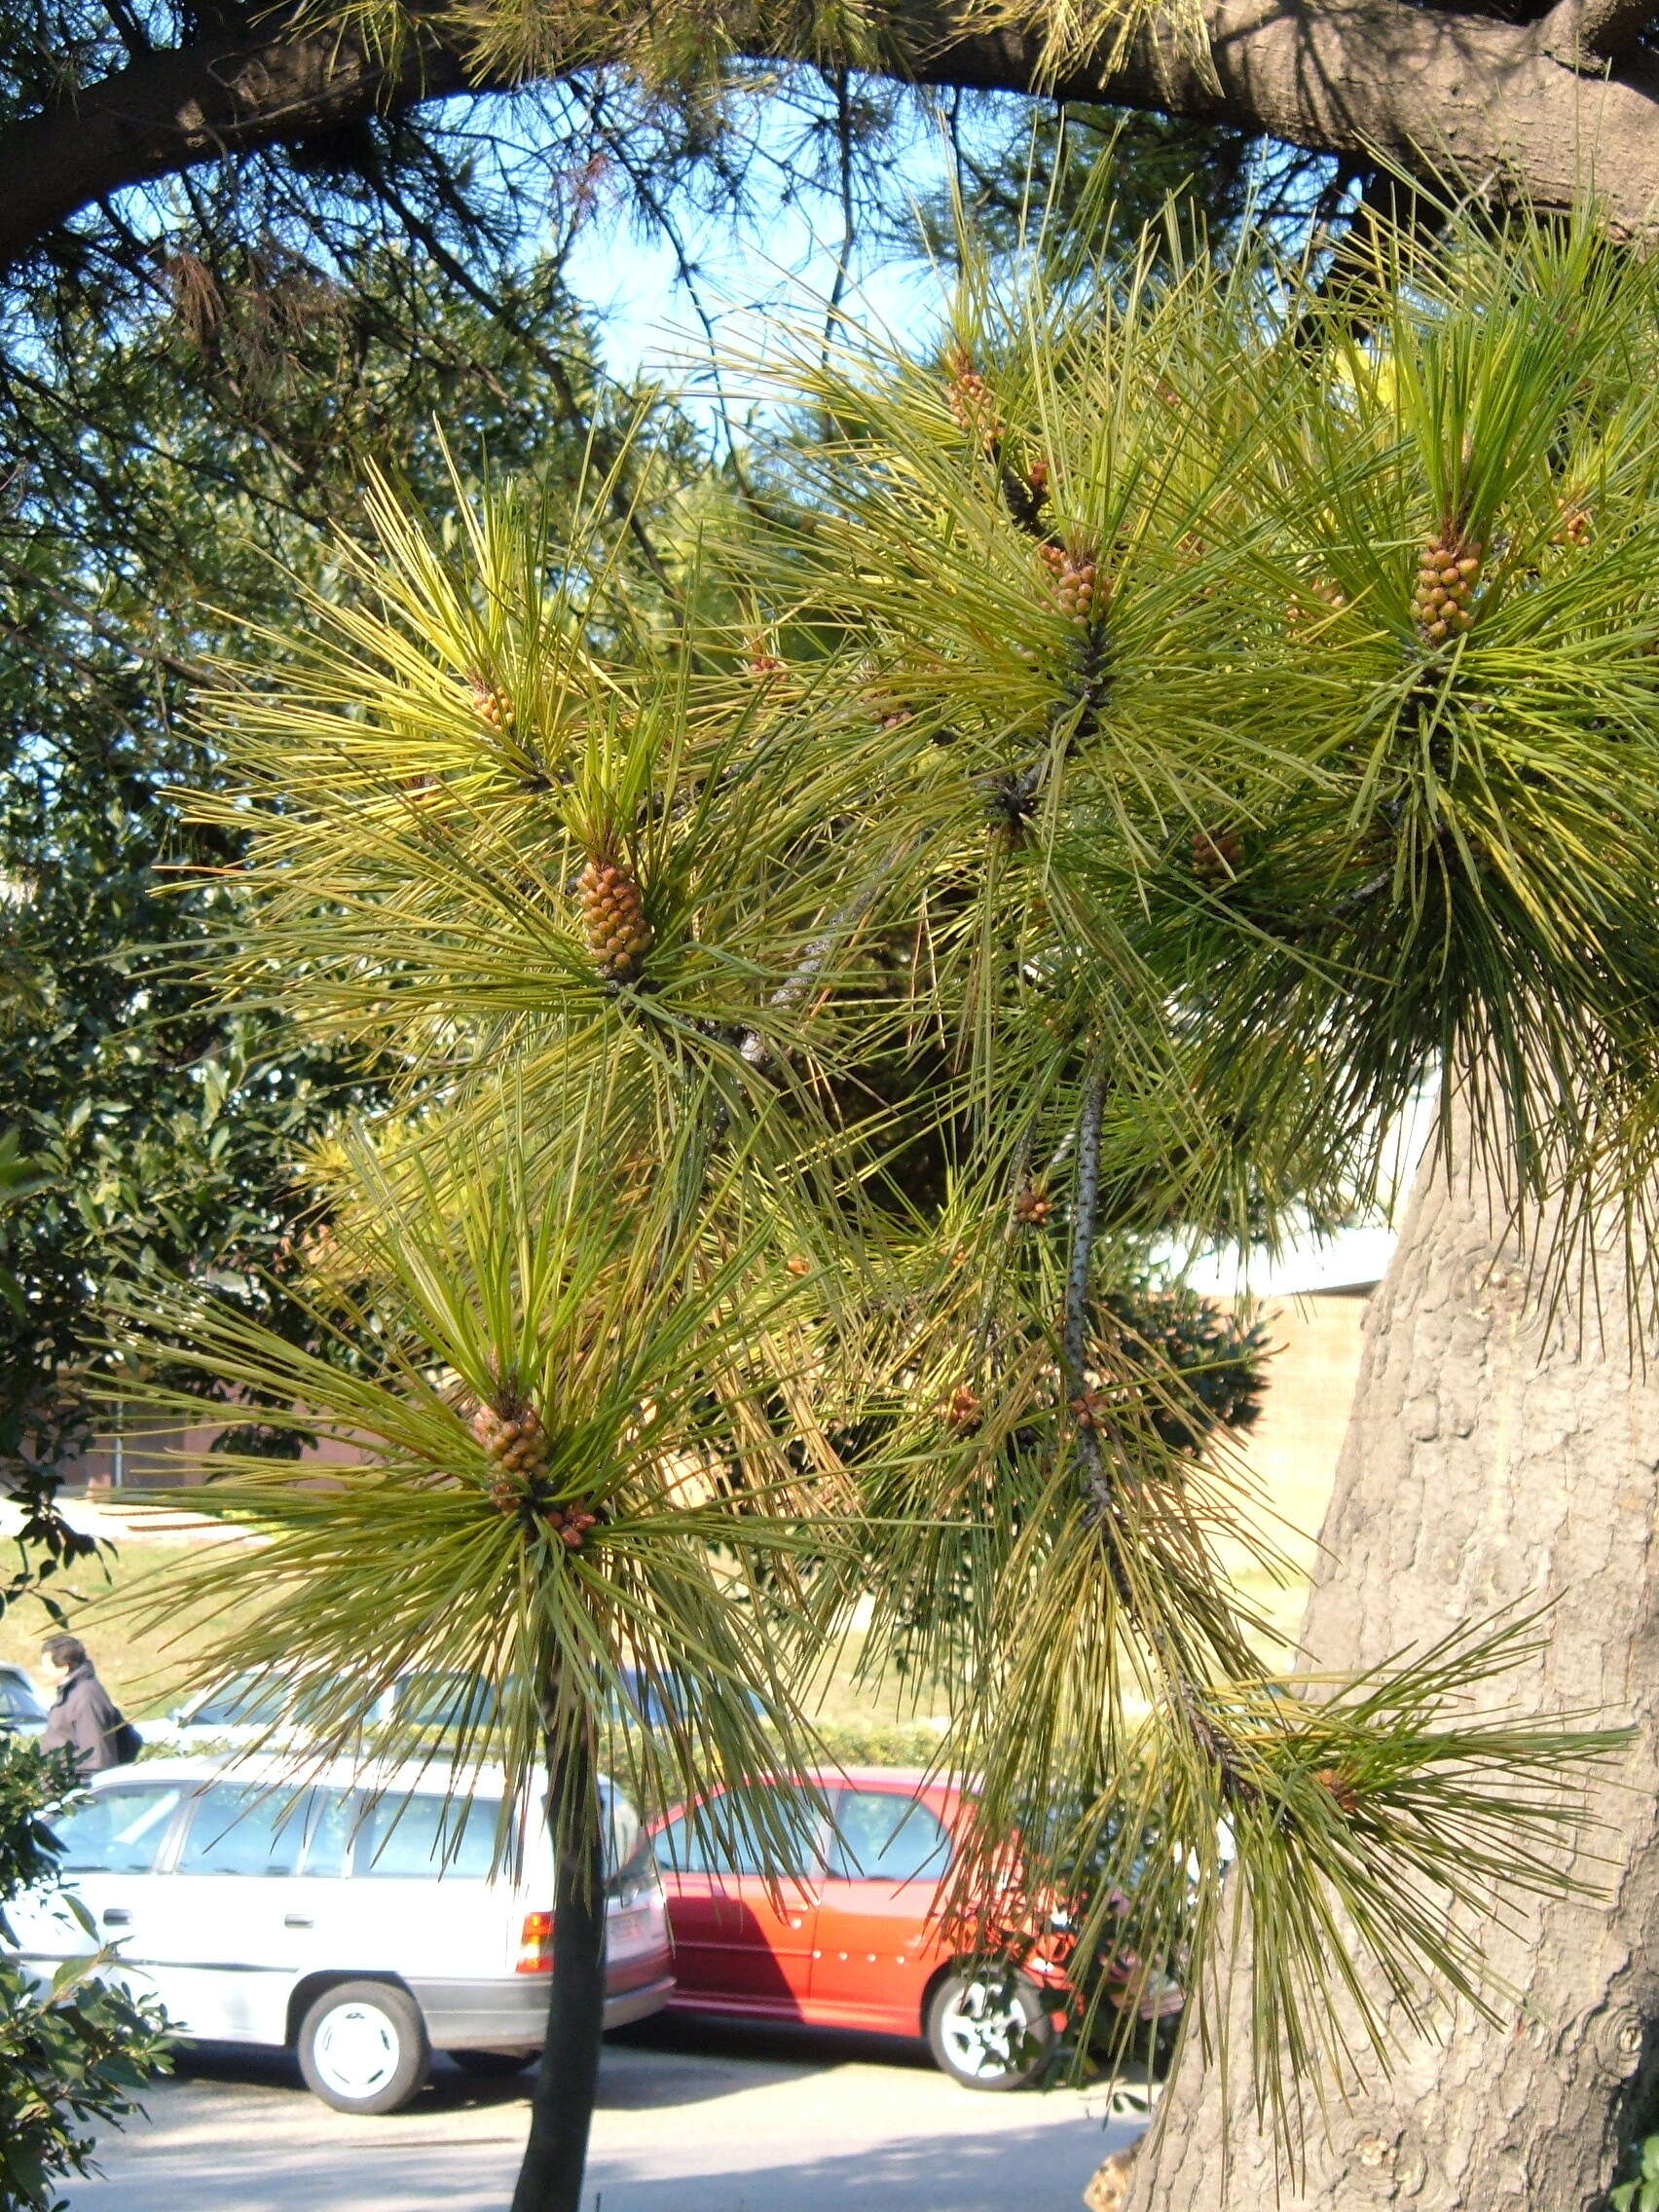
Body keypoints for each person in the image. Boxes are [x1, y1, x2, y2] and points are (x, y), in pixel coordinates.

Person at [38, 1636, 125, 1774]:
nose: (42, 1670)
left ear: (64, 1668)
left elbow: (96, 1758)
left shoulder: (86, 1697)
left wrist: (82, 1792)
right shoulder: (71, 1694)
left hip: (79, 1790)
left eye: (46, 1666)